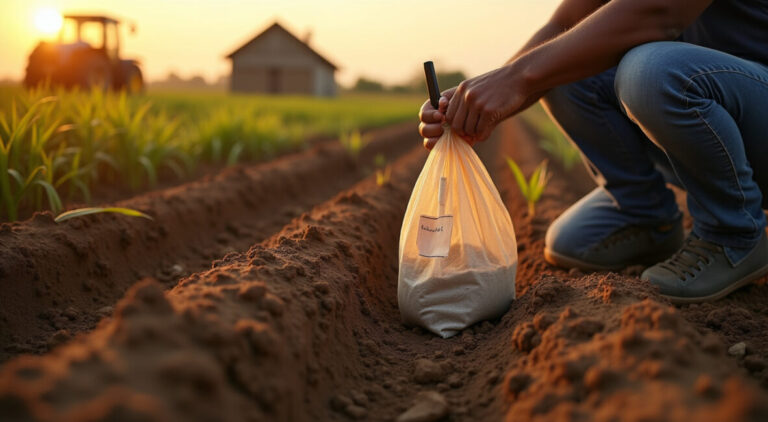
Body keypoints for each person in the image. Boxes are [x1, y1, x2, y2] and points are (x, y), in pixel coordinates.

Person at [418, 0, 768, 303]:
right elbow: (563, 25)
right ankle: (643, 214)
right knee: (564, 61)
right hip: (722, 112)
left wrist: (517, 77)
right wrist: (474, 101)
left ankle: (734, 232)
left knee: (649, 72)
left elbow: (661, 11)